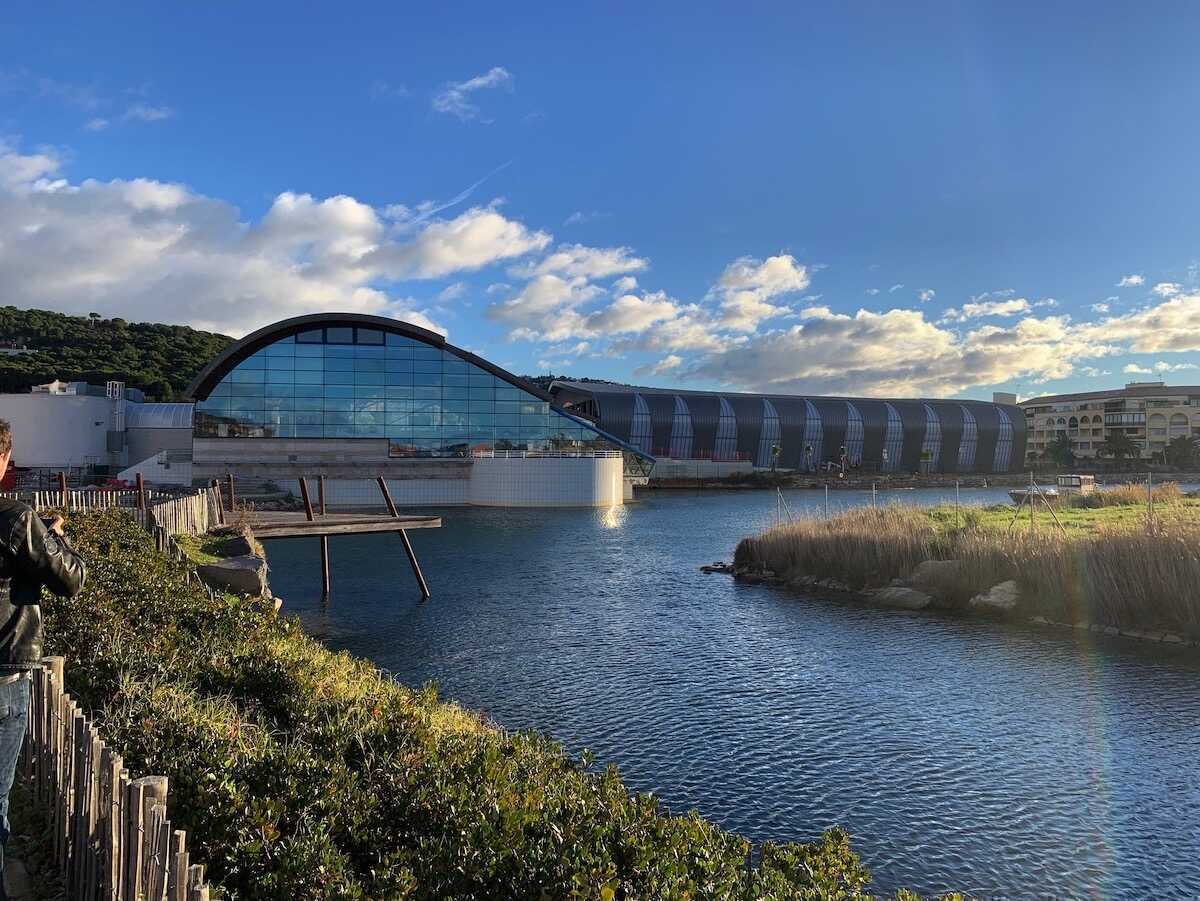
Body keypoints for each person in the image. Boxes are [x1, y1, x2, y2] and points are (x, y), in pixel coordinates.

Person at [0, 420, 86, 897]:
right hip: (3, 678)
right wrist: (54, 537)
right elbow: (71, 579)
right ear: (5, 461)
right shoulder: (13, 516)